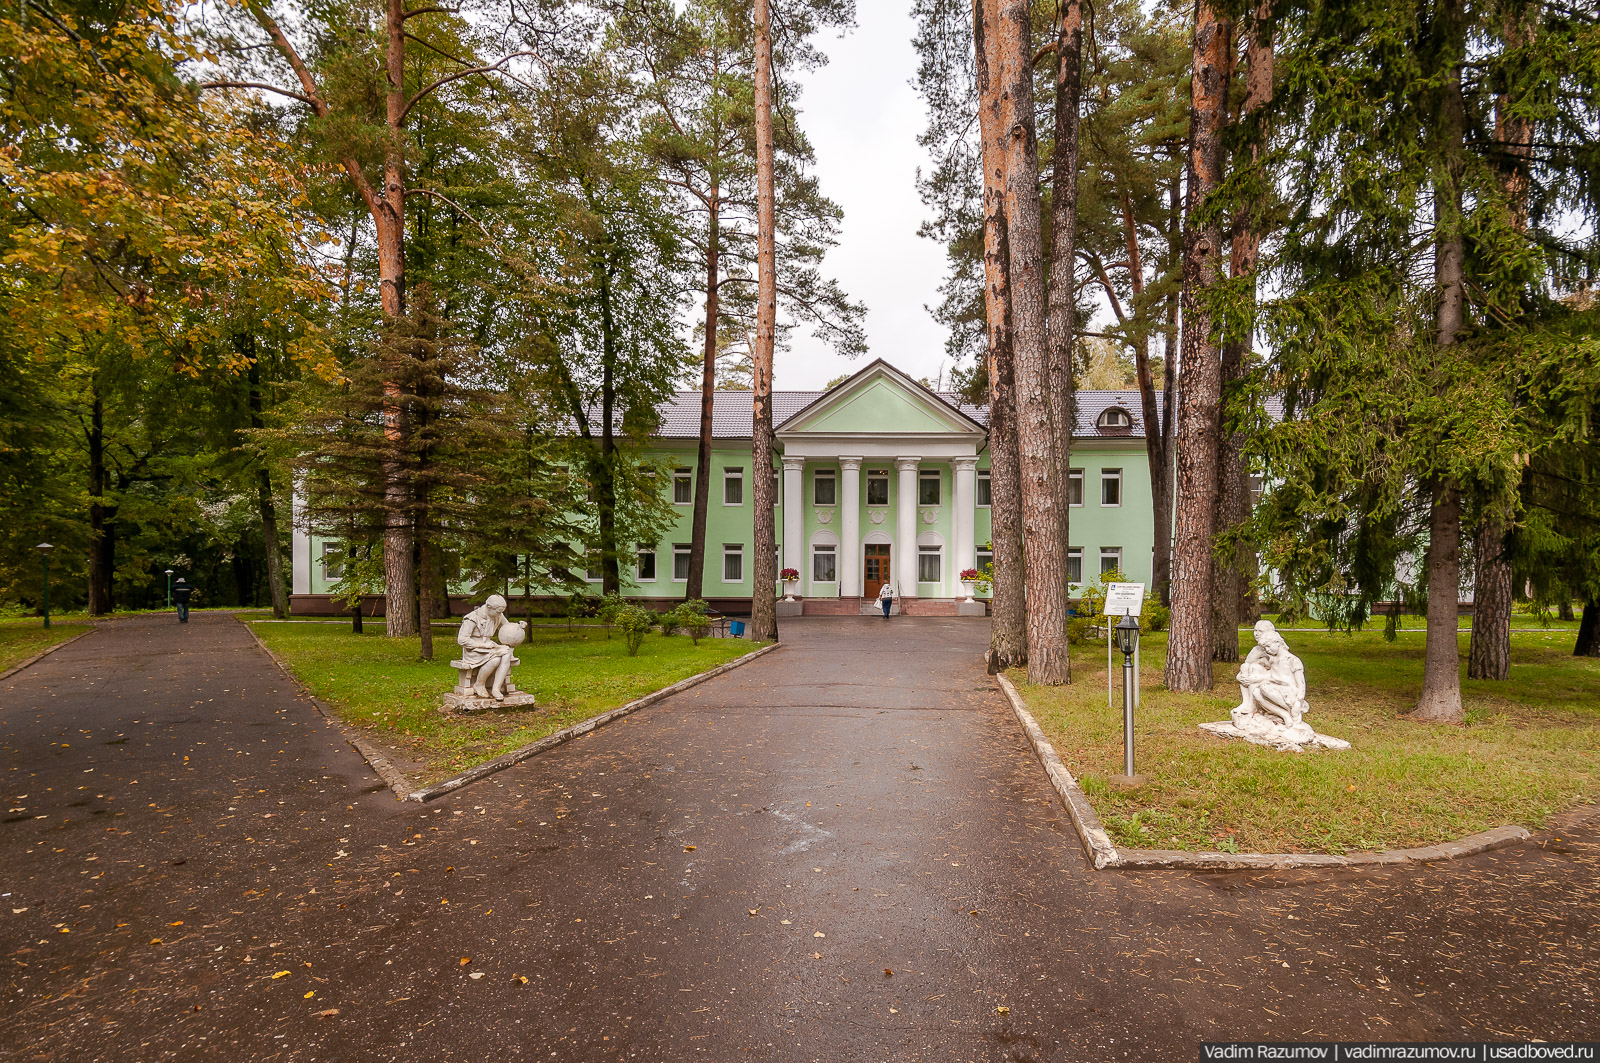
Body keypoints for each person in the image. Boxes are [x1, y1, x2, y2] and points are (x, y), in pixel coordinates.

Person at [456, 594, 515, 700]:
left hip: (489, 647)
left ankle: (496, 689)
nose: (500, 614)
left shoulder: (498, 615)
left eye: (501, 612)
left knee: (506, 654)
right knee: (496, 659)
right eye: (498, 611)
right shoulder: (472, 618)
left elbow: (507, 628)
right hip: (474, 651)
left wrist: (518, 627)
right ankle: (479, 684)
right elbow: (462, 639)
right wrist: (482, 645)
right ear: (488, 607)